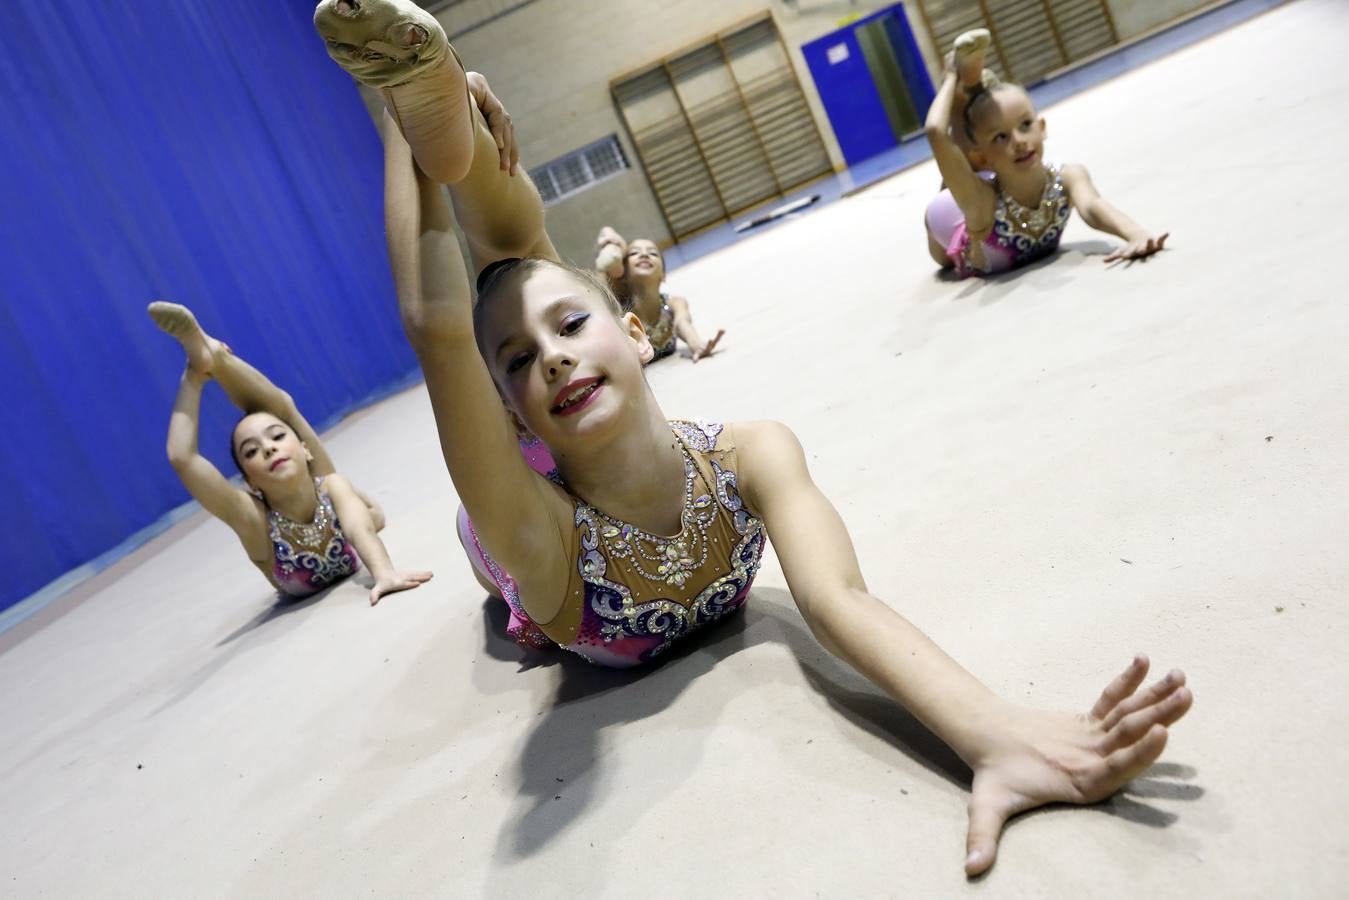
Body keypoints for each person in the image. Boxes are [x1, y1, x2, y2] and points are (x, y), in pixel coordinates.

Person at [313, 0, 1194, 875]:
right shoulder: (533, 533)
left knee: (525, 266)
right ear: (507, 409)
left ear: (638, 331)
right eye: (518, 362)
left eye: (575, 328)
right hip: (520, 526)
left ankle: (437, 101)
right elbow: (437, 329)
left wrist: (990, 730)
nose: (551, 356)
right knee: (491, 324)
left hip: (593, 429)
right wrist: (394, 122)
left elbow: (839, 601)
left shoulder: (752, 453)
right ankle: (418, 101)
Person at [149, 302, 432, 604]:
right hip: (302, 510)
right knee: (280, 416)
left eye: (277, 437)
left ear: (306, 450)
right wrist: (193, 378)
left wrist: (384, 573)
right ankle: (208, 358)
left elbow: (358, 528)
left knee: (284, 412)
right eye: (252, 451)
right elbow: (182, 458)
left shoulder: (331, 485)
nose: (269, 448)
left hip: (332, 494)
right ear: (249, 482)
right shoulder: (254, 523)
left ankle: (217, 358)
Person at [924, 29, 1169, 277]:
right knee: (963, 161)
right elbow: (935, 131)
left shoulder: (1069, 176)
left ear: (1042, 127)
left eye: (1025, 125)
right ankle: (963, 89)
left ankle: (972, 90)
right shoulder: (982, 202)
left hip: (988, 176)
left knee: (983, 131)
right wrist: (951, 77)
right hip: (948, 214)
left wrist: (1135, 234)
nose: (1019, 142)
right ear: (983, 158)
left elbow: (1093, 207)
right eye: (1002, 137)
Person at [594, 226, 724, 362]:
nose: (644, 255)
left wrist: (696, 344)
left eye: (653, 253)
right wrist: (613, 249)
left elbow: (682, 323)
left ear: (663, 275)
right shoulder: (618, 312)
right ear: (623, 274)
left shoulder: (675, 303)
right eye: (634, 253)